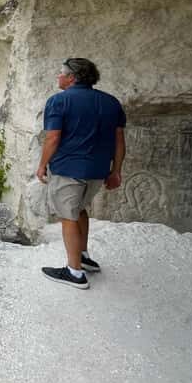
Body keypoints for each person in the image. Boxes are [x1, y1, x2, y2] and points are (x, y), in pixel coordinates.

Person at [36, 58, 126, 289]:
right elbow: (119, 140)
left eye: (60, 73)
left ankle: (74, 272)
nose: (58, 77)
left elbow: (53, 137)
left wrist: (41, 165)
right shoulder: (111, 103)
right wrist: (116, 171)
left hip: (69, 169)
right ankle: (83, 256)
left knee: (68, 216)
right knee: (79, 210)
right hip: (97, 170)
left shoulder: (59, 101)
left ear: (72, 77)